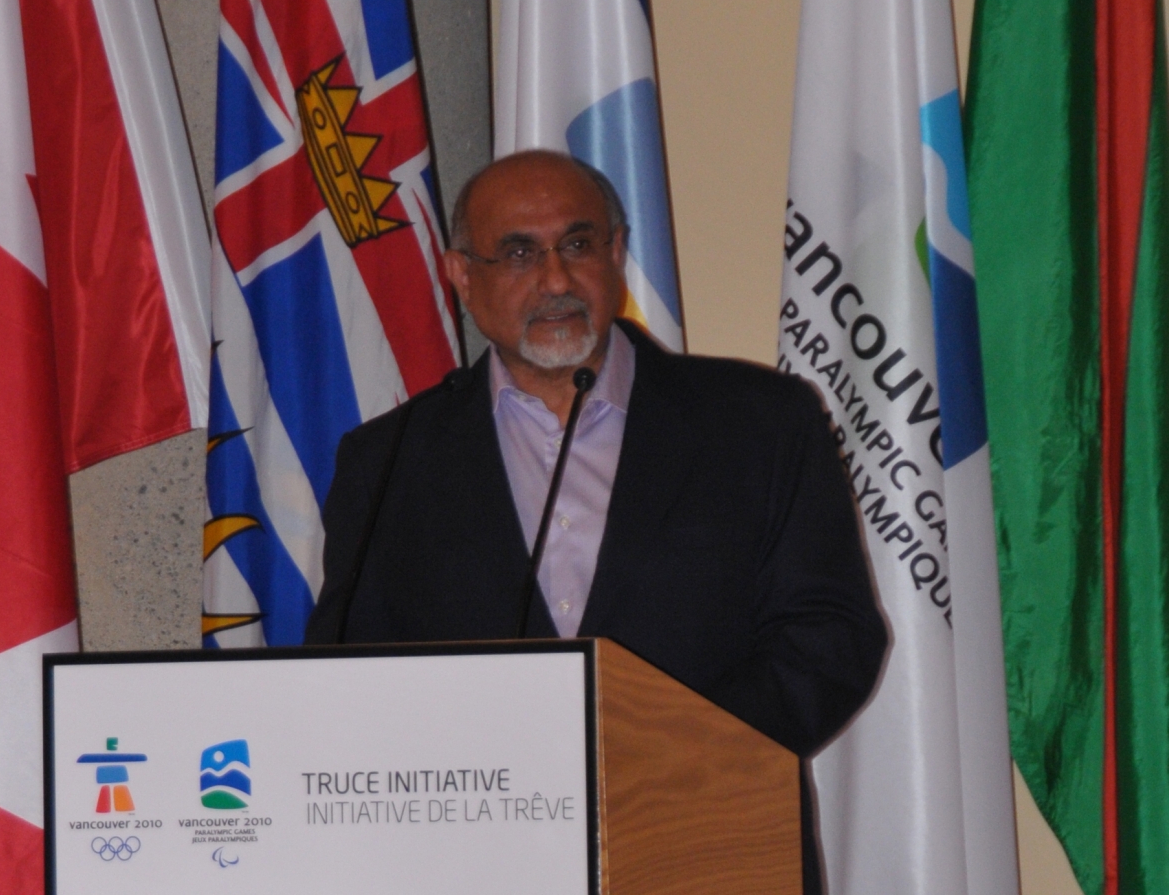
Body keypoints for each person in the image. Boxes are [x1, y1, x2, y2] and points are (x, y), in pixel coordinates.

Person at [306, 150, 886, 893]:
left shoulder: (759, 422)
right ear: (461, 276)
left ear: (616, 254)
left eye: (578, 245)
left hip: (711, 844)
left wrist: (652, 761)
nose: (554, 280)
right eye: (518, 253)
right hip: (481, 865)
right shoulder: (389, 461)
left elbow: (831, 638)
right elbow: (350, 679)